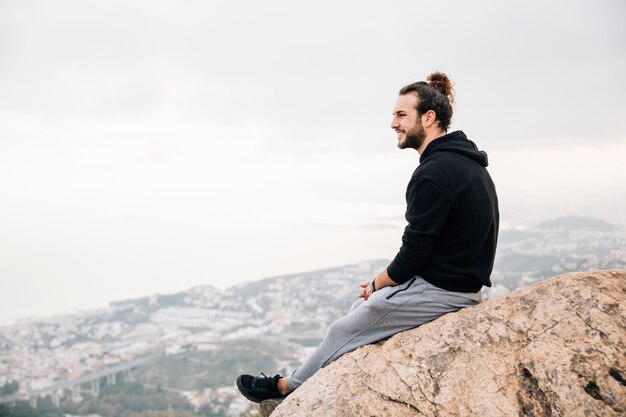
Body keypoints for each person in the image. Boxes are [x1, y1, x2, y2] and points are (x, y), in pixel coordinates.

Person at [236, 71, 499, 403]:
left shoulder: (434, 173)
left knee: (344, 328)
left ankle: (284, 388)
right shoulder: (466, 163)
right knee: (360, 309)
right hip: (454, 281)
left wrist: (378, 282)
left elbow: (413, 254)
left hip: (446, 290)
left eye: (401, 114)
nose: (393, 123)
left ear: (428, 118)